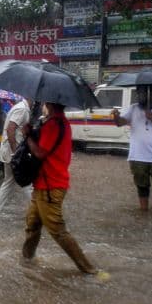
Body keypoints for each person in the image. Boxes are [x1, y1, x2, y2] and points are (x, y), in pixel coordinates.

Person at [22, 101, 99, 275]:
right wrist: (34, 131)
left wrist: (27, 136)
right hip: (44, 185)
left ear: (49, 103)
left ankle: (89, 269)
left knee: (58, 230)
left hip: (50, 187)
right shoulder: (59, 122)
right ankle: (27, 260)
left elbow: (40, 152)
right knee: (32, 224)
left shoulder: (54, 125)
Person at [112, 85, 152, 214]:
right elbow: (120, 123)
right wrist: (116, 116)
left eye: (143, 93)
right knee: (142, 187)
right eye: (138, 93)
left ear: (151, 93)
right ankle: (143, 213)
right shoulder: (133, 108)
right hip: (137, 156)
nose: (140, 96)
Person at [0, 94, 32, 213]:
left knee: (9, 181)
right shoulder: (22, 109)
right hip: (13, 152)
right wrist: (16, 152)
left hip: (11, 151)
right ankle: (38, 211)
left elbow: (19, 129)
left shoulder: (22, 108)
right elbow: (11, 129)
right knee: (26, 181)